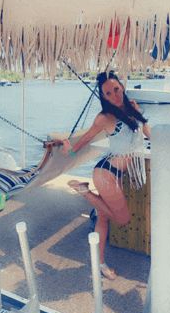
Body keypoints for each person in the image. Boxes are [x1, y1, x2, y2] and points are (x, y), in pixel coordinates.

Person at [61, 70, 151, 280]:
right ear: (103, 97)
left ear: (122, 86)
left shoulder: (132, 107)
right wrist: (72, 151)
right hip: (105, 174)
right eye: (108, 94)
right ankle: (83, 190)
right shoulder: (105, 117)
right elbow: (88, 136)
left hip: (114, 175)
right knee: (122, 219)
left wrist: (161, 137)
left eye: (116, 90)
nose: (114, 95)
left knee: (103, 218)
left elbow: (146, 132)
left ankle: (100, 263)